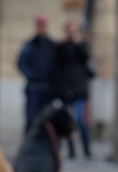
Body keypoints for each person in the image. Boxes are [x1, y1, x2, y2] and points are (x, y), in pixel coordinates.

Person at [54, 21, 93, 159]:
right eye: (69, 31)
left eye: (73, 31)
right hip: (65, 90)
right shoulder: (61, 47)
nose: (71, 34)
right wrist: (62, 43)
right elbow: (56, 60)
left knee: (79, 119)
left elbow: (86, 57)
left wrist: (79, 43)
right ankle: (71, 151)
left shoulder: (81, 46)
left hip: (79, 89)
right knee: (67, 120)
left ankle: (87, 149)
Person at [17, 14, 55, 131]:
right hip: (34, 88)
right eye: (40, 25)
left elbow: (57, 65)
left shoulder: (52, 45)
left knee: (47, 120)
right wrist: (31, 75)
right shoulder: (29, 45)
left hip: (48, 89)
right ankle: (29, 146)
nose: (41, 28)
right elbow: (21, 63)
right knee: (31, 119)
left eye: (43, 25)